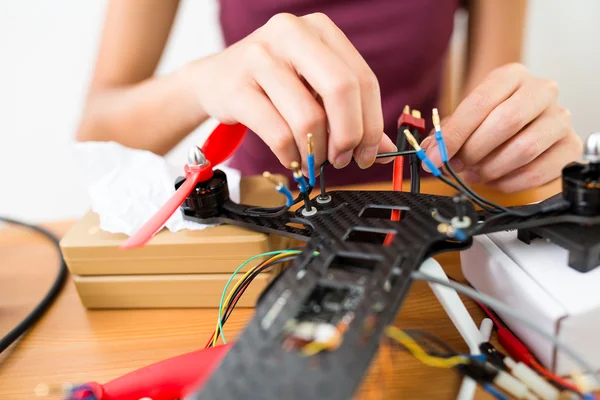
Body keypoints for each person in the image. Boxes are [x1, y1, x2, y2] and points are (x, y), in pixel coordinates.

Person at [76, 0, 582, 192]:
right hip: (264, 224)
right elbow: (97, 132)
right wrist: (200, 83)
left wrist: (516, 132)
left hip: (421, 223)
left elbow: (485, 112)